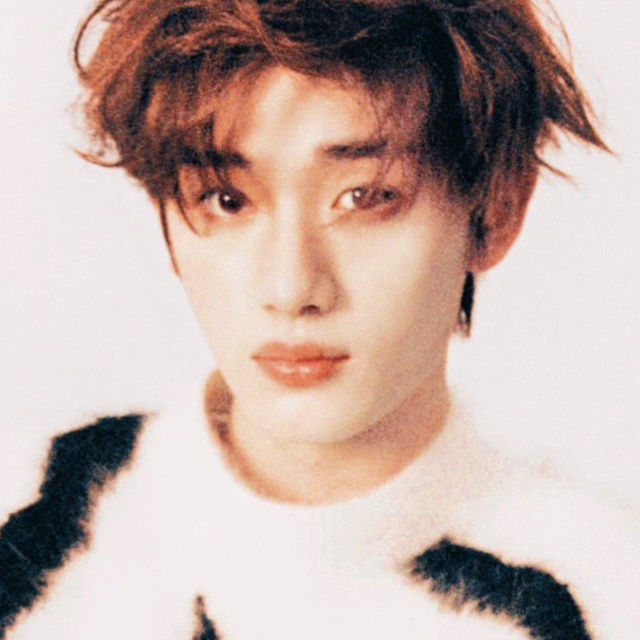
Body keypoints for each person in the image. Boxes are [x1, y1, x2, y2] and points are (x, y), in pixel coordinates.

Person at [0, 0, 638, 638]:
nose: (291, 288)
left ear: (496, 208)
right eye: (227, 200)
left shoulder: (607, 594)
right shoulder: (26, 518)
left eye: (366, 196)